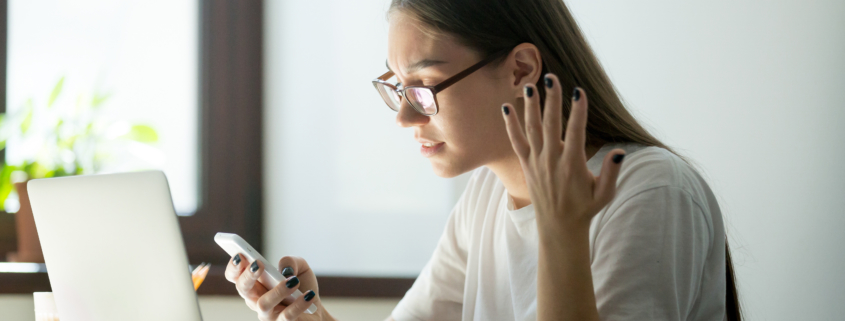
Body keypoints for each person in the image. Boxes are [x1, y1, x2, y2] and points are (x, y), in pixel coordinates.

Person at [224, 0, 742, 320]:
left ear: (520, 69)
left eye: (424, 87)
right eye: (397, 88)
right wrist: (306, 316)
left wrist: (562, 232)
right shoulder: (487, 196)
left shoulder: (648, 192)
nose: (404, 116)